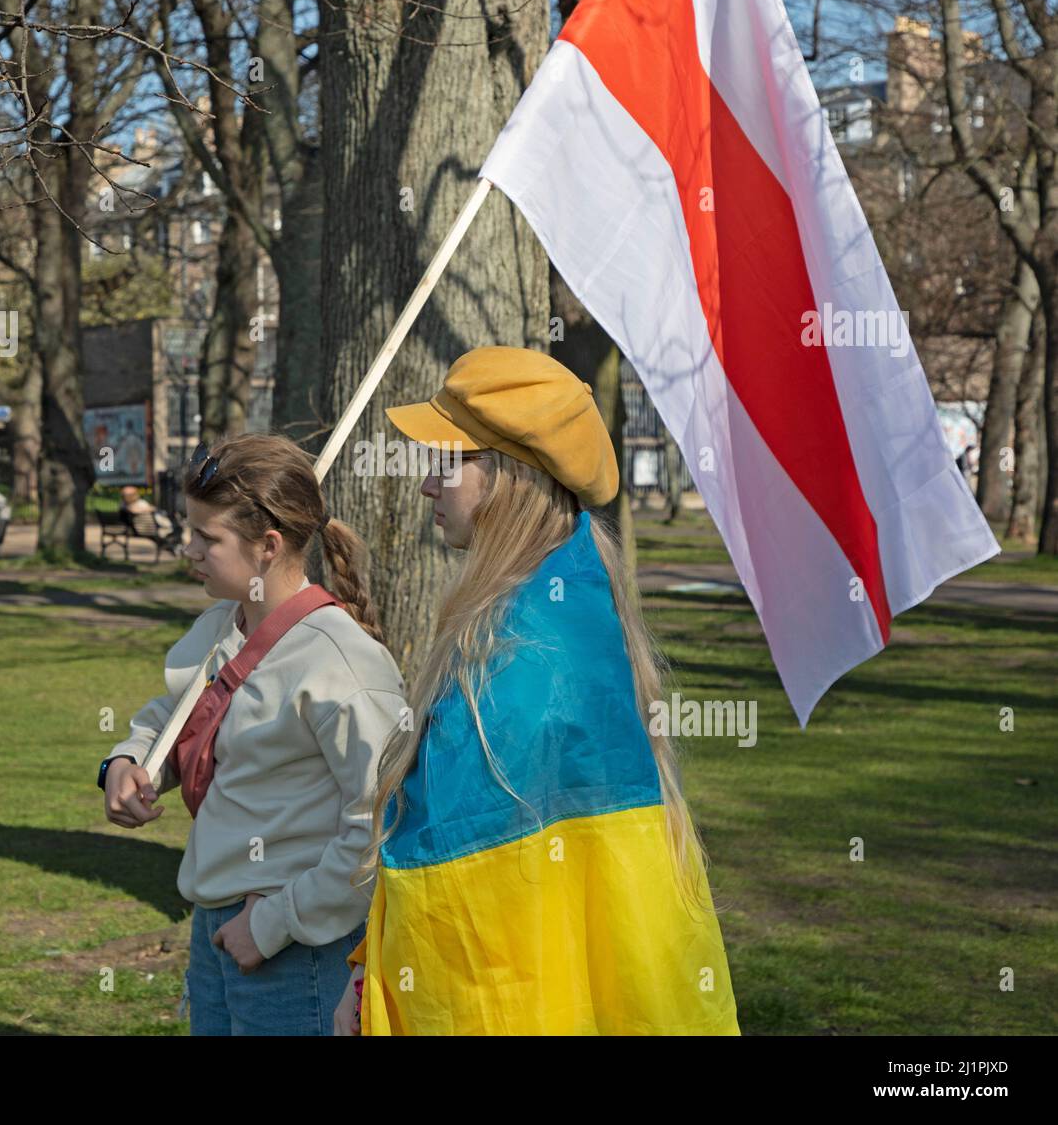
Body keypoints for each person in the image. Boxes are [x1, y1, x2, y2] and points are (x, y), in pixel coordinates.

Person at [335, 347, 740, 1036]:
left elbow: (460, 901)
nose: (429, 485)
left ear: (505, 476)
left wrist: (374, 981)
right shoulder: (574, 612)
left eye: (448, 461)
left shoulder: (516, 657)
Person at [99, 433, 406, 1036]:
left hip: (300, 953)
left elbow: (380, 822)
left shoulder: (341, 664)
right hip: (213, 929)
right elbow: (176, 716)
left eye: (207, 538)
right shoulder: (219, 625)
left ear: (267, 546)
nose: (188, 549)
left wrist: (274, 925)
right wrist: (130, 760)